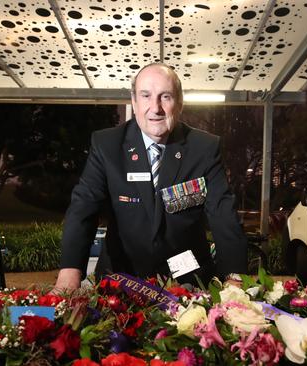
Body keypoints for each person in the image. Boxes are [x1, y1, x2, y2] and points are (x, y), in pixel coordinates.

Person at [55, 63, 247, 291]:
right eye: (145, 96)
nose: (155, 108)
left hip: (187, 282)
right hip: (120, 280)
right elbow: (82, 209)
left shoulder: (204, 148)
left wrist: (235, 281)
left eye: (165, 97)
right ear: (134, 102)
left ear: (180, 102)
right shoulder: (107, 146)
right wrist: (68, 276)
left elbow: (223, 215)